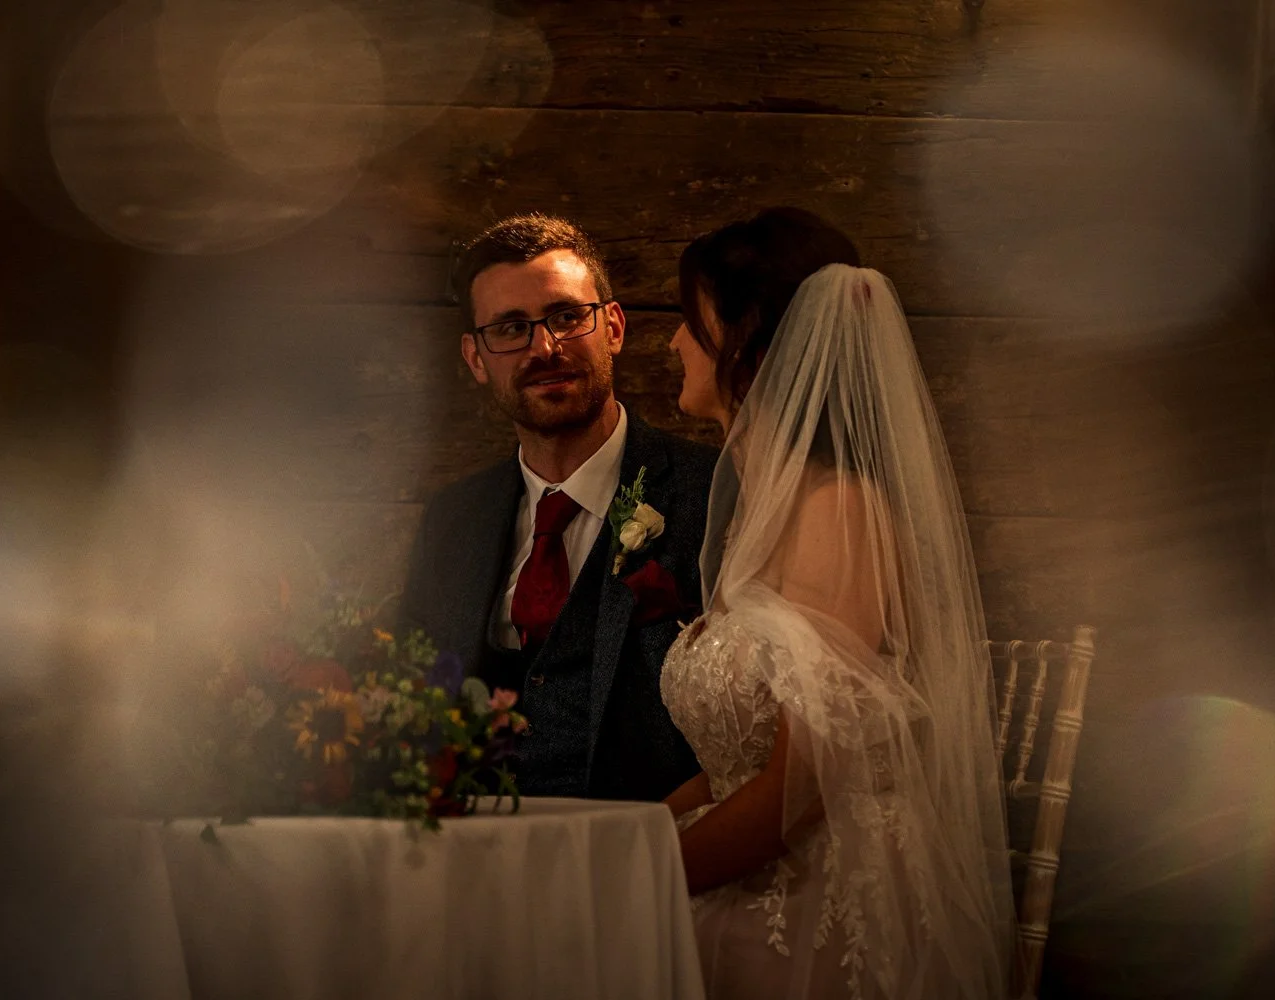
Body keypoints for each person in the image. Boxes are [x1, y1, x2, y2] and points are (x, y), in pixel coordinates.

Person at [660, 208, 1015, 999]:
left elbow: (807, 782)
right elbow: (733, 766)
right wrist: (622, 838)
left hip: (814, 895)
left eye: (690, 322)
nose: (673, 343)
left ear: (748, 340)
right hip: (749, 861)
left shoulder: (840, 514)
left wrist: (641, 879)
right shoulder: (758, 516)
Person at [399, 213, 712, 801]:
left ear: (614, 327)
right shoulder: (452, 520)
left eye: (568, 317)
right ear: (474, 358)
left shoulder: (715, 492)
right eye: (510, 328)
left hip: (653, 863)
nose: (544, 347)